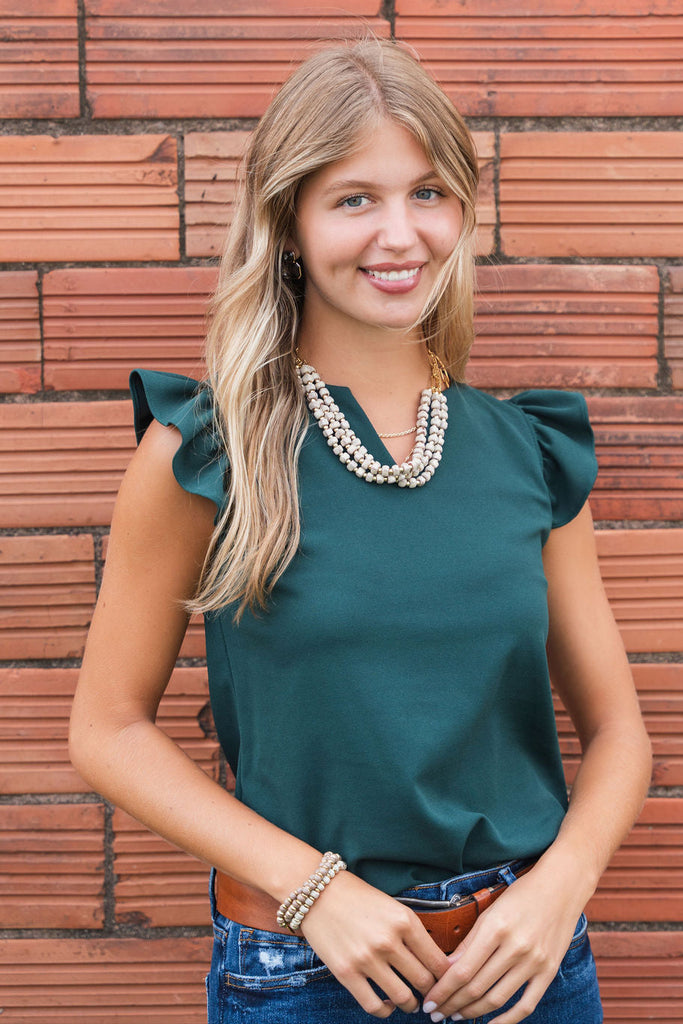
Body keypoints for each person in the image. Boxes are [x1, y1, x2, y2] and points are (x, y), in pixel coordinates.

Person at [69, 37, 652, 1024]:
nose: (399, 233)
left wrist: (560, 889)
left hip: (524, 965)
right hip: (303, 970)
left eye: (428, 193)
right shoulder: (207, 451)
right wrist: (315, 890)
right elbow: (107, 729)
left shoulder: (531, 452)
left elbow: (617, 731)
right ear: (289, 223)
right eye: (353, 199)